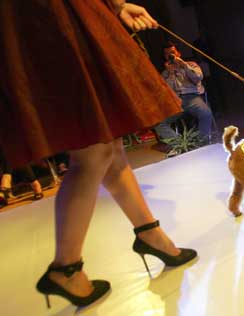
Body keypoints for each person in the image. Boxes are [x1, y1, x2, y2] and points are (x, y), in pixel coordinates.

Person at [0, 0, 196, 308]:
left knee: (109, 147)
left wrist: (116, 5)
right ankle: (65, 267)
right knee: (94, 150)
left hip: (54, 16)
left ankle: (150, 235)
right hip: (52, 17)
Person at [153, 42, 214, 146]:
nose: (170, 56)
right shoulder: (165, 73)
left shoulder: (191, 64)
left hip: (192, 97)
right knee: (159, 123)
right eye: (167, 54)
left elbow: (198, 78)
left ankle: (201, 143)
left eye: (172, 52)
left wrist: (184, 65)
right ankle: (182, 145)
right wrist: (170, 74)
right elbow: (166, 90)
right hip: (176, 101)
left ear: (178, 53)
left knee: (206, 114)